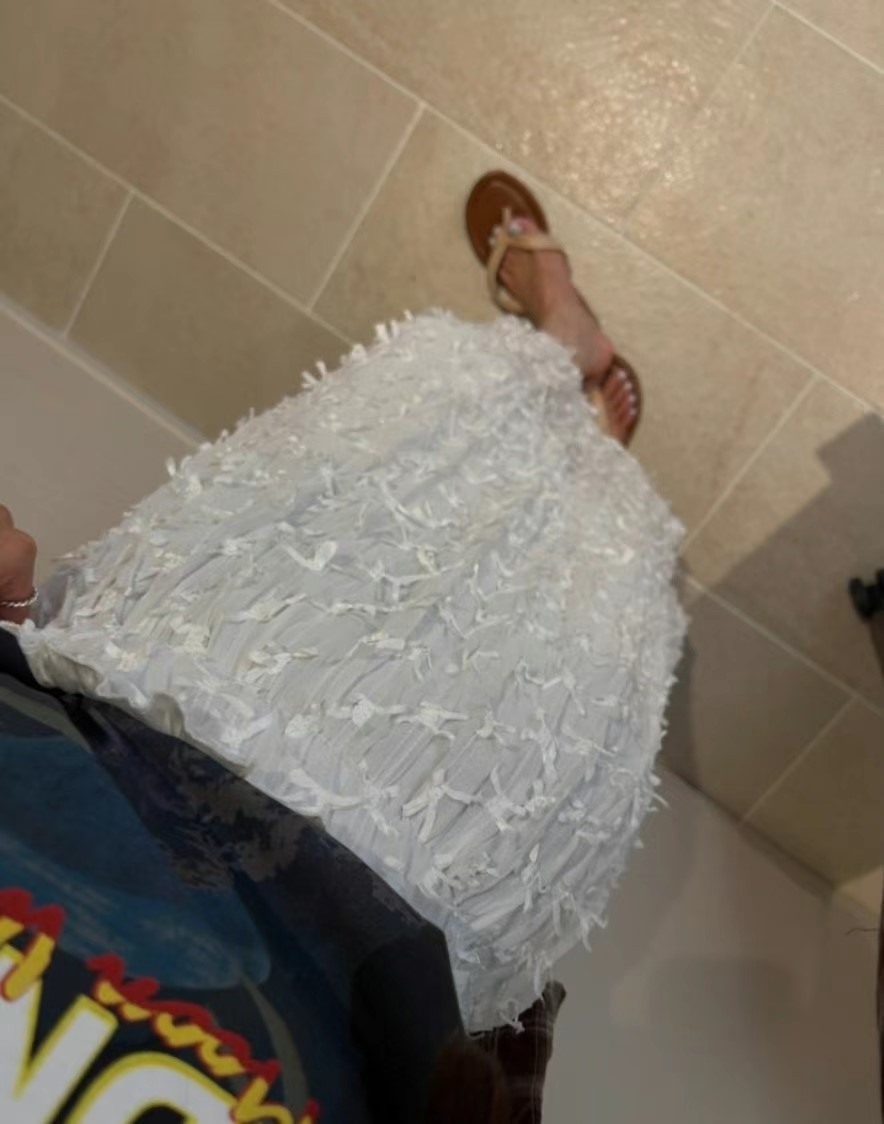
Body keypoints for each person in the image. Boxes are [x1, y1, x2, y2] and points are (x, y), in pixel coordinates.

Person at [3, 173, 684, 1034]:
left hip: (121, 767)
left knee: (344, 530)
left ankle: (558, 358)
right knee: (492, 682)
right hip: (353, 977)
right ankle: (593, 465)